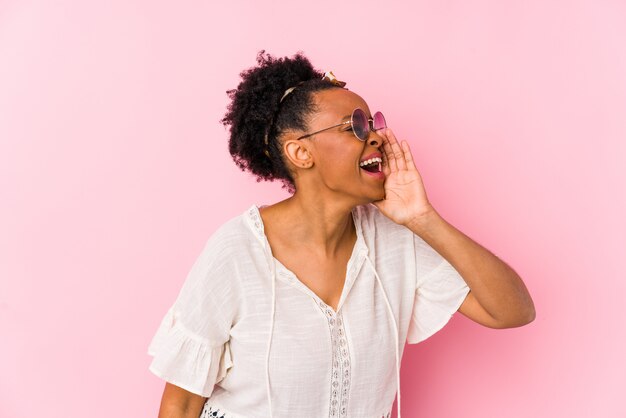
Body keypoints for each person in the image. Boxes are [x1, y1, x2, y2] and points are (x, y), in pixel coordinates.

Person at [147, 51, 536, 418]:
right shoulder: (237, 251)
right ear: (301, 153)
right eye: (355, 126)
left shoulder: (395, 240)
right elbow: (180, 404)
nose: (378, 137)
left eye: (373, 122)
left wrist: (423, 219)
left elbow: (513, 311)